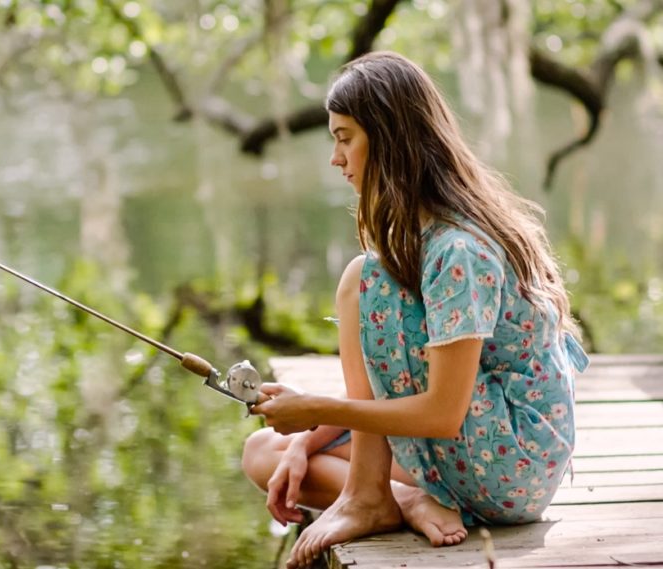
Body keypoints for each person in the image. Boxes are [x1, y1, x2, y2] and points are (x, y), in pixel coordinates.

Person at [242, 51, 589, 569]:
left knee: (362, 278)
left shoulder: (459, 250)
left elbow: (443, 412)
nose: (336, 159)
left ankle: (368, 495)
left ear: (389, 139)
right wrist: (309, 434)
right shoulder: (423, 239)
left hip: (513, 466)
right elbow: (405, 384)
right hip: (479, 447)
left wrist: (318, 410)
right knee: (266, 454)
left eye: (345, 139)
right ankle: (398, 499)